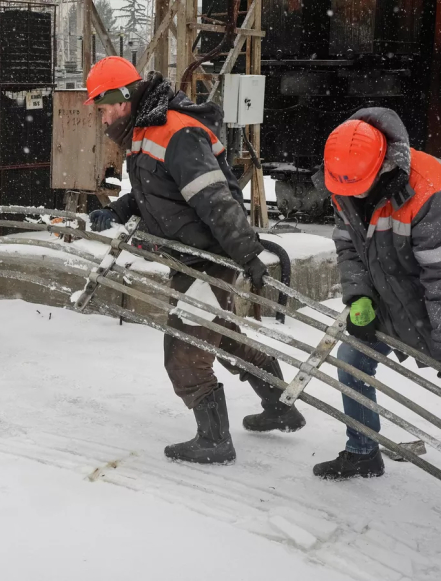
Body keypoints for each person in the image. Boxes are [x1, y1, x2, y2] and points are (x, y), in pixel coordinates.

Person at [312, 107, 441, 562]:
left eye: (357, 188)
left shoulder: (431, 189)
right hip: (397, 293)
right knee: (352, 362)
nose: (349, 195)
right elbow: (348, 243)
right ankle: (363, 451)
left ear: (382, 165)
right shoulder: (345, 180)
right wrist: (359, 295)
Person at [84, 56, 306, 465]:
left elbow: (216, 198)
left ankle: (215, 440)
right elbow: (156, 191)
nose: (102, 118)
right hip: (194, 255)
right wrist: (117, 210)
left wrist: (249, 253)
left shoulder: (176, 132)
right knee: (224, 336)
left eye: (104, 107)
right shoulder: (148, 129)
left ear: (122, 97)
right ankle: (280, 405)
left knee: (184, 349)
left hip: (209, 257)